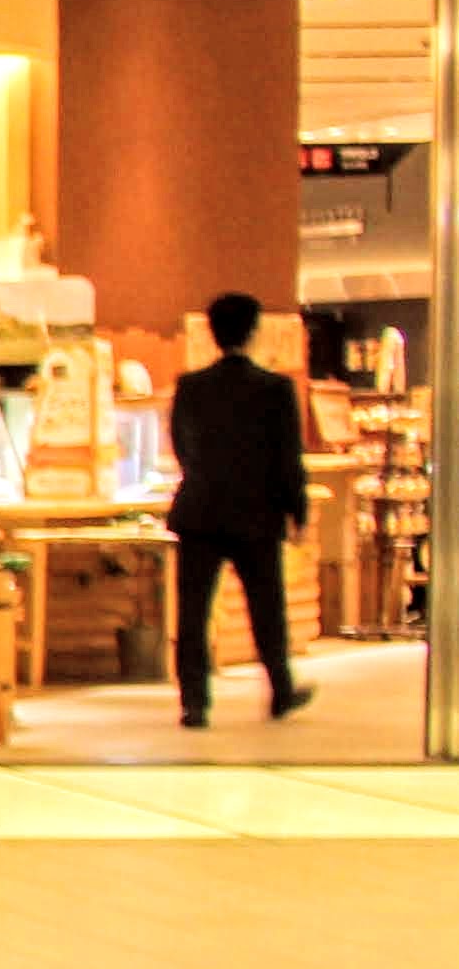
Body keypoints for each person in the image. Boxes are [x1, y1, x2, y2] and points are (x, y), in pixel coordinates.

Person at [164, 291, 313, 727]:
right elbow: (288, 459)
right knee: (267, 609)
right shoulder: (276, 390)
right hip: (257, 514)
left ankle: (194, 703)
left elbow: (181, 446)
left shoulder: (190, 387)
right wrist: (298, 512)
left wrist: (204, 475)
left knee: (193, 612)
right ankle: (281, 691)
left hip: (200, 512)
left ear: (212, 333)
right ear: (253, 331)